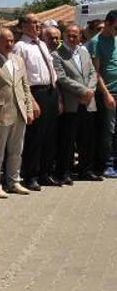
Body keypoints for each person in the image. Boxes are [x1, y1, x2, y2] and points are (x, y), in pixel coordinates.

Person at [0, 28, 34, 199]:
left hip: (19, 110)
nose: (10, 44)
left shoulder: (18, 60)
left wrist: (28, 108)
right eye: (6, 40)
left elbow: (25, 86)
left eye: (12, 40)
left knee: (16, 150)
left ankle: (13, 181)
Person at [14, 14, 60, 190]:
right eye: (34, 23)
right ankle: (30, 175)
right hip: (35, 93)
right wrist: (30, 100)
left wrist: (57, 95)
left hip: (50, 91)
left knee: (49, 136)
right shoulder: (20, 47)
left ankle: (45, 173)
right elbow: (21, 75)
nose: (37, 25)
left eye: (38, 23)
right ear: (23, 26)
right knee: (35, 137)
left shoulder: (42, 44)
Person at [54, 24, 101, 182]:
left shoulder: (84, 52)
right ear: (64, 36)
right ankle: (64, 172)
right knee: (68, 140)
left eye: (75, 35)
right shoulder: (57, 54)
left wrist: (90, 90)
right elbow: (62, 78)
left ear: (80, 36)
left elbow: (93, 72)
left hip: (88, 102)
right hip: (71, 103)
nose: (72, 38)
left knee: (87, 139)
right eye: (69, 35)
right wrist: (83, 91)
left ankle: (85, 170)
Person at [89, 10, 117, 178]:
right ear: (106, 23)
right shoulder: (95, 42)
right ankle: (106, 164)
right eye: (115, 27)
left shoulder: (115, 39)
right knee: (108, 131)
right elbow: (96, 72)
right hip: (109, 93)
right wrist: (106, 94)